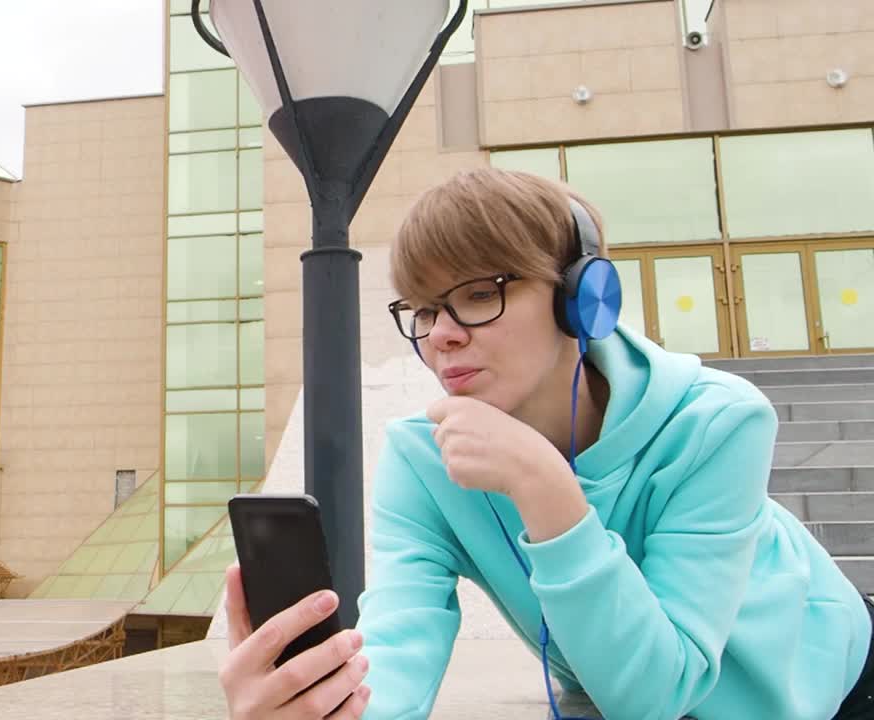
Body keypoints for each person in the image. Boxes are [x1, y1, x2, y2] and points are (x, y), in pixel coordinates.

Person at [217, 168, 874, 720]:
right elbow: (397, 653)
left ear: (582, 301)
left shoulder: (717, 422)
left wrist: (546, 489)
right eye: (421, 309)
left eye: (478, 294)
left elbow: (658, 694)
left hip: (827, 682)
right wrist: (319, 706)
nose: (441, 333)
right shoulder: (424, 461)